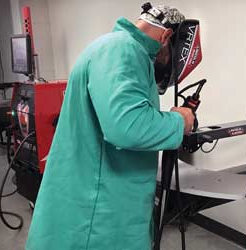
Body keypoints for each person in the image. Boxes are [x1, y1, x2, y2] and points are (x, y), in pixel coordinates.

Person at [25, 3, 194, 250]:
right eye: (170, 55)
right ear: (166, 36)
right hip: (99, 211)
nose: (166, 64)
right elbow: (128, 126)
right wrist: (181, 121)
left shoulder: (113, 46)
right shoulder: (123, 50)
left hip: (96, 196)